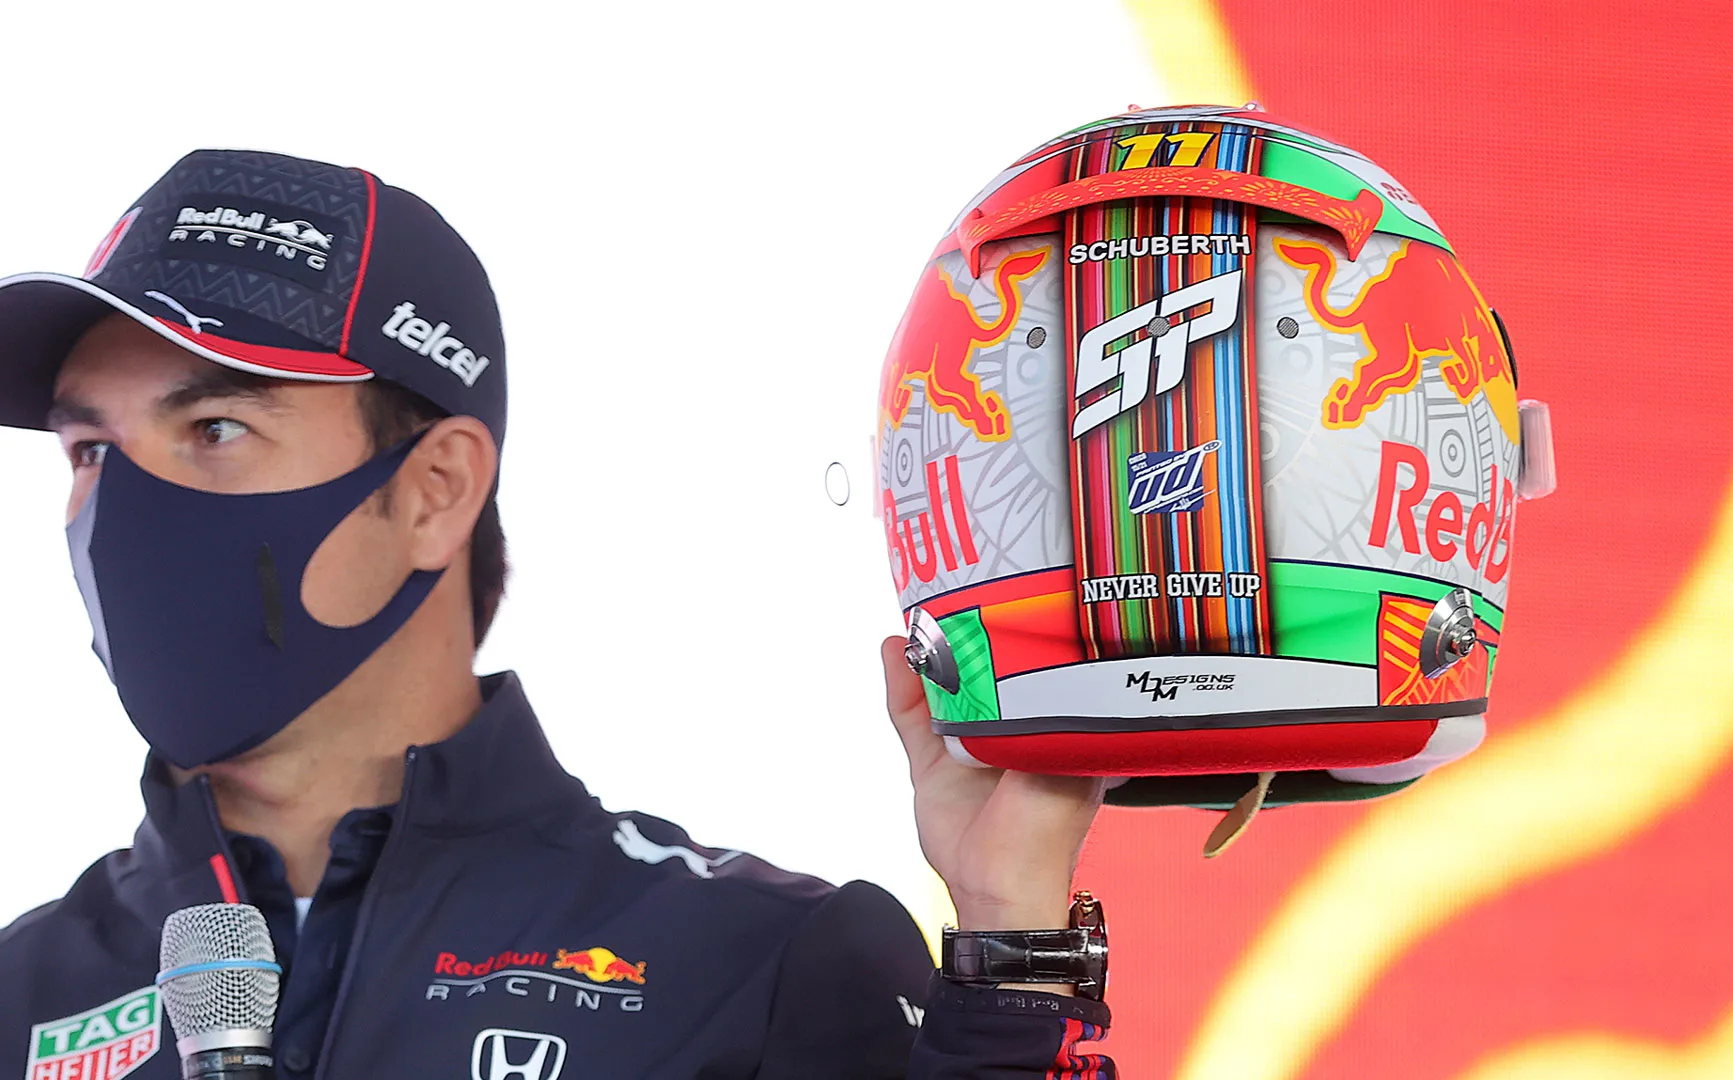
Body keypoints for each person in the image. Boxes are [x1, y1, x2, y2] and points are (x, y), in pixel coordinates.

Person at [0, 150, 1117, 1080]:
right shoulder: (17, 999)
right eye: (92, 449)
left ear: (435, 489)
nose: (125, 515)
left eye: (216, 431)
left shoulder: (752, 964)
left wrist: (1012, 956)